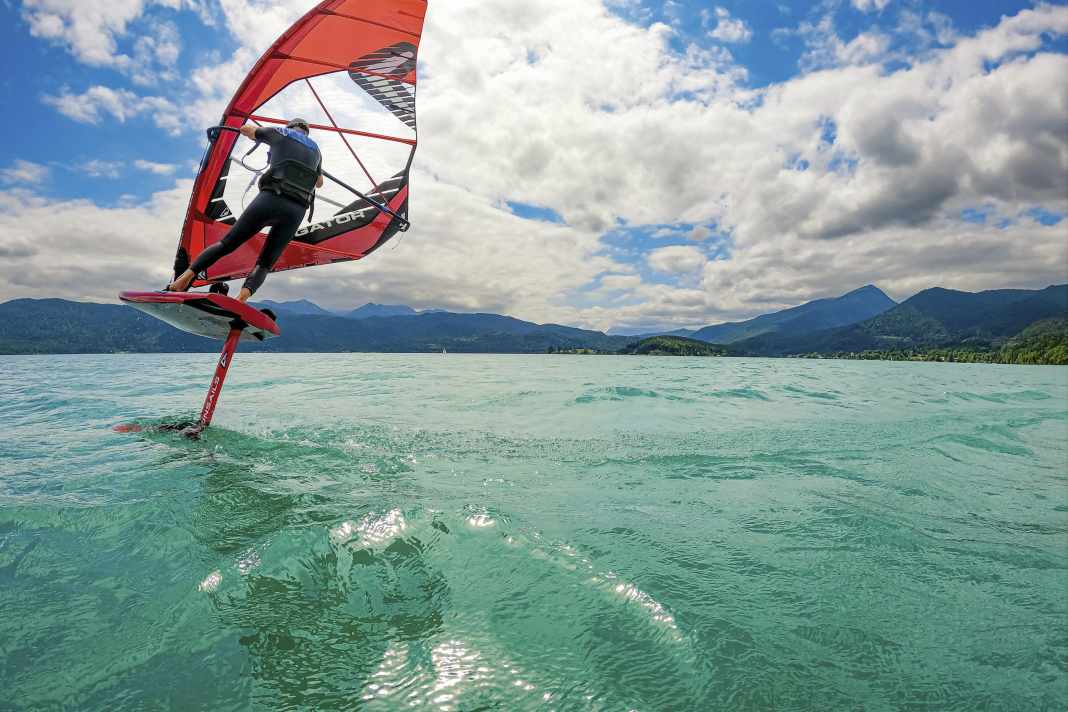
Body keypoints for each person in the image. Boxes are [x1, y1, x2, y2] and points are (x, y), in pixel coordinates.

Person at [167, 118, 325, 302]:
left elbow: (247, 130)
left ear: (291, 127)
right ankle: (241, 299)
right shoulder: (317, 151)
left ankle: (183, 279)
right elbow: (319, 182)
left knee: (227, 243)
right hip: (296, 210)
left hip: (271, 199)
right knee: (265, 263)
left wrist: (256, 133)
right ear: (307, 132)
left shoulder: (281, 133)